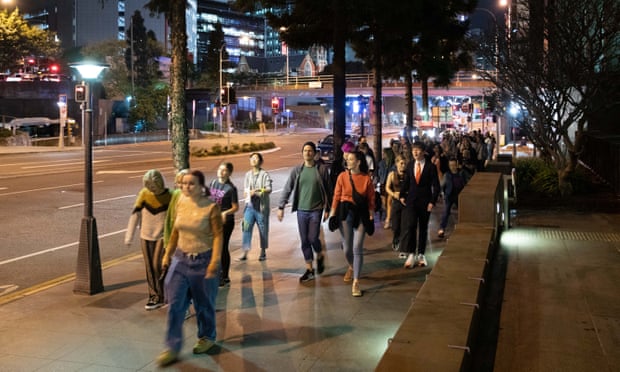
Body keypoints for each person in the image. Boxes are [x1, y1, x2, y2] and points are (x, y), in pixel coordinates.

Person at [157, 170, 223, 367]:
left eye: (191, 184)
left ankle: (207, 337)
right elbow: (176, 230)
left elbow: (218, 235)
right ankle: (172, 347)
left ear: (201, 186)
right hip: (180, 260)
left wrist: (214, 262)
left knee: (204, 305)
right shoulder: (180, 202)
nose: (186, 187)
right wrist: (167, 254)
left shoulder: (211, 207)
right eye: (183, 184)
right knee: (175, 305)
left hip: (203, 260)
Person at [277, 141, 333, 282]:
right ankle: (309, 269)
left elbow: (329, 190)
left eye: (310, 150)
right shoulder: (297, 170)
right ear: (302, 153)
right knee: (304, 240)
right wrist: (281, 206)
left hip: (316, 209)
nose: (307, 153)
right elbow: (287, 188)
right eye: (305, 150)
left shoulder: (321, 170)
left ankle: (319, 254)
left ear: (314, 153)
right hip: (301, 210)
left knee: (313, 237)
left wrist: (328, 209)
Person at [328, 150, 375, 297]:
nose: (347, 161)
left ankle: (356, 281)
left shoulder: (366, 178)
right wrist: (332, 214)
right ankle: (351, 265)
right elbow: (336, 196)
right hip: (345, 212)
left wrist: (371, 214)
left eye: (350, 159)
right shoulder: (342, 176)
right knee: (347, 248)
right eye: (347, 159)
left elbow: (371, 199)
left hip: (361, 214)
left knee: (357, 247)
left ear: (358, 162)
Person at [124, 169, 172, 310]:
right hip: (145, 236)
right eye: (148, 185)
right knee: (149, 268)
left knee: (159, 265)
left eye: (153, 185)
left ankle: (166, 293)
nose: (151, 188)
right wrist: (129, 236)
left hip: (162, 236)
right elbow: (135, 215)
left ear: (159, 183)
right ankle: (155, 296)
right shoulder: (143, 194)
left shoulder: (169, 196)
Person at [399, 141, 440, 268]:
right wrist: (401, 195)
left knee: (423, 228)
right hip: (411, 201)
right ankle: (411, 253)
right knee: (410, 226)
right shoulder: (410, 165)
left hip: (425, 202)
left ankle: (421, 254)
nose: (415, 152)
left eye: (417, 150)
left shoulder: (430, 167)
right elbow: (407, 181)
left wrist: (432, 201)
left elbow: (436, 186)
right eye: (413, 150)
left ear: (423, 152)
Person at [237, 152, 273, 261]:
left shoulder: (264, 174)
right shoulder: (248, 175)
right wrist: (247, 194)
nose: (253, 160)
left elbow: (269, 189)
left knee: (263, 229)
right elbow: (245, 190)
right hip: (250, 207)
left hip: (261, 208)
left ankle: (263, 252)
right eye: (252, 158)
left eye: (256, 158)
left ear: (260, 162)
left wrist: (257, 191)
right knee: (246, 228)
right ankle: (245, 252)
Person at [209, 162, 239, 287]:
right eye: (220, 169)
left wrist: (225, 213)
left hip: (226, 222)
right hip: (213, 220)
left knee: (222, 247)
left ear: (229, 173)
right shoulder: (213, 183)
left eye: (225, 170)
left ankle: (224, 276)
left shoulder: (231, 188)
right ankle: (216, 274)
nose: (221, 172)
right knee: (213, 248)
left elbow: (235, 207)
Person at [437, 158, 469, 238]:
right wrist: (438, 194)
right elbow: (441, 185)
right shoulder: (447, 175)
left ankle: (464, 227)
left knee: (463, 212)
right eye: (451, 165)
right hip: (450, 195)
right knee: (446, 212)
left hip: (460, 195)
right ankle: (442, 229)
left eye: (454, 165)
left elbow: (468, 180)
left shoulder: (462, 172)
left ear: (457, 164)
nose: (453, 167)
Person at [385, 154, 408, 254]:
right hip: (396, 202)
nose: (403, 165)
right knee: (396, 224)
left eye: (404, 163)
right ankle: (395, 238)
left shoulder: (408, 174)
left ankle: (403, 244)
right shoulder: (392, 174)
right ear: (397, 163)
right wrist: (393, 194)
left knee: (405, 224)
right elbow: (387, 187)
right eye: (401, 163)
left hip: (406, 201)